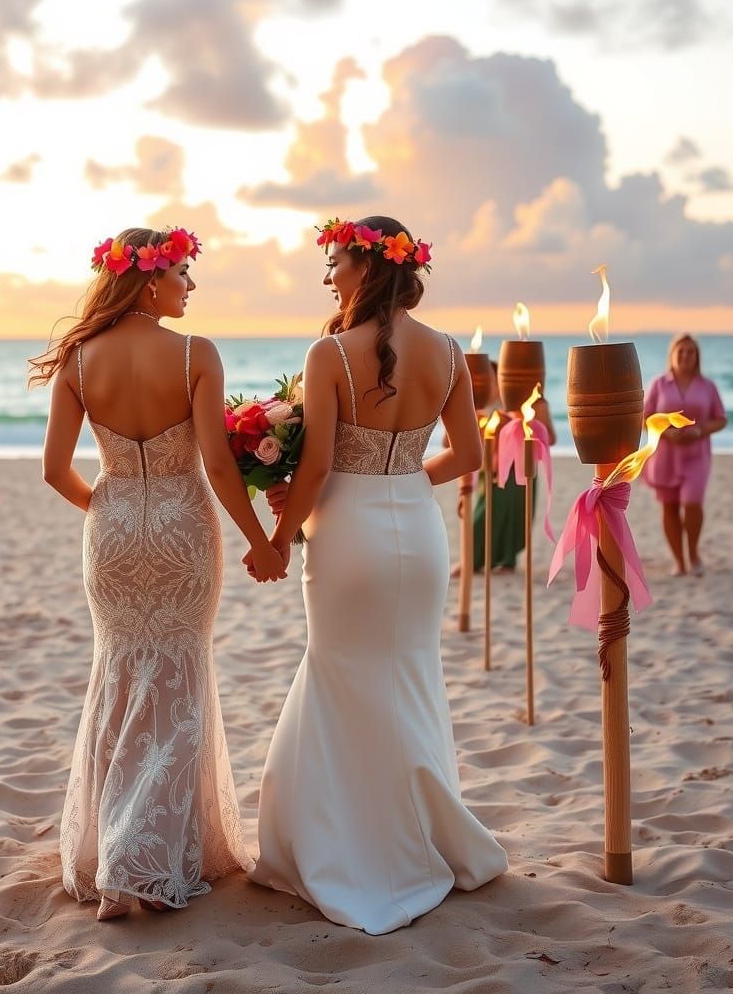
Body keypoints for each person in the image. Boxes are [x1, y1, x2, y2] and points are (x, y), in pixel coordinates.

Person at [249, 216, 508, 935]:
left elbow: (322, 466)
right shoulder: (451, 352)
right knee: (411, 676)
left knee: (340, 676)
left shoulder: (330, 352)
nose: (328, 275)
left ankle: (352, 851)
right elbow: (468, 457)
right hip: (417, 532)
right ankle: (423, 837)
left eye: (334, 262)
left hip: (348, 534)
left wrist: (278, 533)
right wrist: (400, 480)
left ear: (365, 267)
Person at [31, 226, 285, 921]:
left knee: (121, 670)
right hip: (182, 527)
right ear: (150, 281)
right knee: (178, 677)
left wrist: (108, 508)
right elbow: (217, 464)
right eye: (181, 275)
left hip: (112, 528)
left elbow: (54, 471)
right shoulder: (195, 355)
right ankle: (140, 861)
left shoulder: (79, 360)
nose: (189, 288)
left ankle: (109, 848)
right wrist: (262, 540)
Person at [643, 333, 727, 576]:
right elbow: (643, 418)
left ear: (697, 356)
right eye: (681, 351)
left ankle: (693, 552)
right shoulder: (659, 384)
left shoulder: (707, 386)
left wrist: (700, 430)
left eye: (690, 352)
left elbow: (721, 419)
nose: (686, 356)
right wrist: (667, 433)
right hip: (665, 455)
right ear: (672, 354)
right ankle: (679, 561)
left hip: (697, 455)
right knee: (668, 507)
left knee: (692, 504)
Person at [469, 359, 556, 574]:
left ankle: (506, 561)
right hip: (488, 469)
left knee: (514, 519)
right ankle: (473, 561)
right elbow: (450, 442)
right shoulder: (476, 401)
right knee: (483, 518)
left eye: (488, 375)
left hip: (519, 468)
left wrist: (516, 427)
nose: (482, 379)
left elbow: (550, 438)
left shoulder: (532, 403)